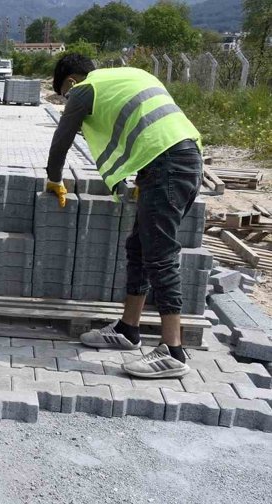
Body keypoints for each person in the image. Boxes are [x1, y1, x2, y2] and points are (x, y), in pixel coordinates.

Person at [46, 54, 203, 378]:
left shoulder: (85, 90)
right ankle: (128, 329)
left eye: (64, 94)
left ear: (72, 82)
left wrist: (54, 178)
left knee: (160, 255)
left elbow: (62, 138)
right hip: (178, 160)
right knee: (139, 248)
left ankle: (173, 351)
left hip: (168, 166)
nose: (68, 101)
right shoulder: (126, 76)